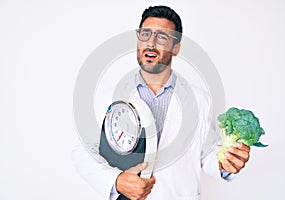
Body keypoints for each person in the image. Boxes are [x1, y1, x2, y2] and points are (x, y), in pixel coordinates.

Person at [72, 5, 250, 200]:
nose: (151, 44)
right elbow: (83, 152)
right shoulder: (109, 97)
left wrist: (225, 163)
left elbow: (207, 155)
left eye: (162, 37)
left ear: (176, 48)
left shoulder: (199, 100)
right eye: (145, 35)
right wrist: (116, 181)